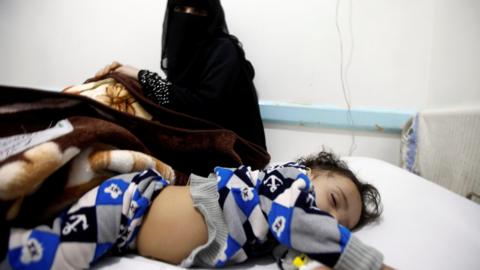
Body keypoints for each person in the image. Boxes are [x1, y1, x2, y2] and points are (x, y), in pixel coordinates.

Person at [1, 150, 393, 269]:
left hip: (130, 231)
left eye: (344, 225)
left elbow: (297, 258)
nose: (332, 221)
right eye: (335, 202)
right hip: (124, 206)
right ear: (308, 173)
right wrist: (366, 264)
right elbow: (298, 220)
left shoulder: (280, 233)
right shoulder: (285, 186)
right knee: (50, 257)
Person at [95, 0, 267, 150]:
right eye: (180, 9)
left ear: (211, 16)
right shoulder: (183, 55)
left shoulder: (223, 49)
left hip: (237, 154)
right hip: (200, 145)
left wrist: (142, 75)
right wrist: (126, 76)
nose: (188, 17)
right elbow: (175, 101)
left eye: (198, 11)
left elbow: (201, 108)